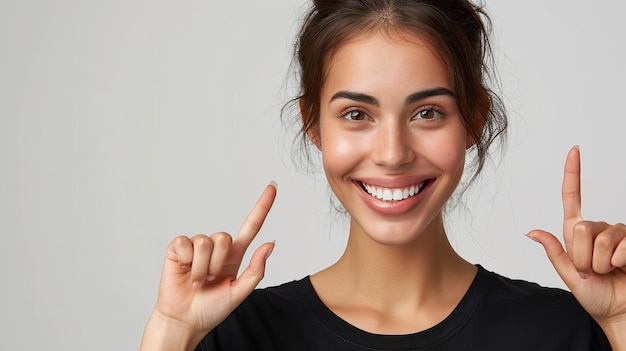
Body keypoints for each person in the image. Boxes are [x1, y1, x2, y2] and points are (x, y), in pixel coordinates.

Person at [140, 0, 626, 349]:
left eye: (428, 113)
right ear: (313, 123)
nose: (393, 154)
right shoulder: (234, 334)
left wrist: (623, 322)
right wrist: (173, 329)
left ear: (474, 119)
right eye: (356, 114)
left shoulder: (564, 332)